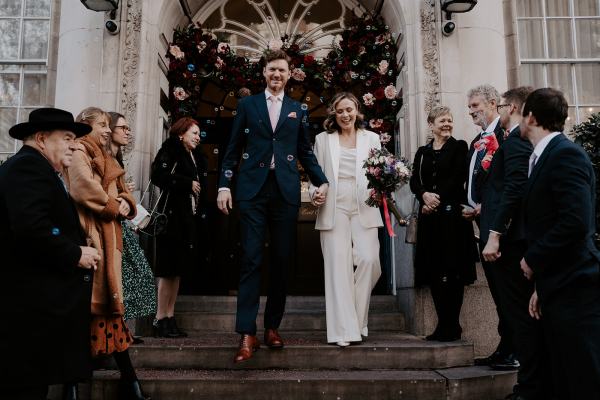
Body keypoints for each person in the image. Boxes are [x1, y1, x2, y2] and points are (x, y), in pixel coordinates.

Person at [217, 49, 328, 363]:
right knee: (251, 258)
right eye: (271, 70)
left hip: (285, 192)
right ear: (263, 73)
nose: (276, 75)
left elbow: (305, 151)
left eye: (281, 70)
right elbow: (232, 148)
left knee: (281, 259)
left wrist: (322, 181)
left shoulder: (297, 110)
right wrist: (224, 184)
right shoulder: (247, 105)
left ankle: (273, 327)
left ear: (289, 74)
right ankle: (246, 333)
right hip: (252, 190)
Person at [0, 108, 99, 400]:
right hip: (25, 313)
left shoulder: (37, 168)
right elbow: (31, 226)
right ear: (42, 138)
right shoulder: (27, 168)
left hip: (32, 313)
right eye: (67, 138)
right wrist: (74, 253)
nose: (74, 145)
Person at [520, 87, 600, 400]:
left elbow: (575, 222)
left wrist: (532, 259)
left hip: (578, 288)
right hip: (558, 285)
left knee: (583, 378)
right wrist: (543, 286)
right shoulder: (542, 157)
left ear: (531, 117)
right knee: (562, 378)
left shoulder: (565, 155)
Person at [67, 107, 148, 400]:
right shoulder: (79, 152)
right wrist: (116, 206)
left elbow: (124, 190)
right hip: (91, 239)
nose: (106, 129)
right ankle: (128, 386)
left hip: (109, 240)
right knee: (93, 316)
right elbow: (82, 188)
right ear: (86, 126)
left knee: (102, 316)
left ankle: (125, 385)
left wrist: (127, 203)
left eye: (106, 125)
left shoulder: (108, 158)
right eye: (102, 124)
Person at [479, 87, 547, 399]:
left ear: (514, 107)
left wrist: (495, 233)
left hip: (510, 243)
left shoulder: (516, 142)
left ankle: (530, 386)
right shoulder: (511, 141)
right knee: (517, 315)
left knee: (520, 317)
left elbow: (516, 186)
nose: (500, 110)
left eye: (503, 105)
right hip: (508, 239)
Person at [310, 92, 383, 347]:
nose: (345, 115)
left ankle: (357, 318)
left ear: (357, 111)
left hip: (364, 205)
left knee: (369, 260)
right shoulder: (322, 140)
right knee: (338, 269)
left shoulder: (372, 138)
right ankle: (344, 331)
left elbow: (380, 173)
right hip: (334, 205)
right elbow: (314, 176)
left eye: (349, 110)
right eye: (340, 111)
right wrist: (314, 193)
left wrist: (382, 186)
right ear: (334, 114)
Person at [409, 105, 478, 341]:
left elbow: (458, 177)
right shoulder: (422, 152)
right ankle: (441, 325)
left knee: (453, 270)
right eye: (442, 121)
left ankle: (453, 325)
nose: (447, 124)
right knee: (435, 271)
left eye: (449, 120)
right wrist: (423, 196)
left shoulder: (459, 147)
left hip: (453, 219)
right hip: (430, 219)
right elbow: (414, 181)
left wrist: (435, 198)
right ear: (431, 125)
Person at [462, 84, 517, 369]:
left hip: (498, 224)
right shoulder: (478, 140)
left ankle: (512, 349)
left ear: (494, 104)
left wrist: (487, 206)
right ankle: (505, 346)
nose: (471, 111)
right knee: (497, 289)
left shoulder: (504, 136)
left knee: (504, 289)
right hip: (482, 220)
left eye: (475, 106)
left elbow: (509, 180)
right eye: (470, 107)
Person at [150, 117, 207, 338]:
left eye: (199, 134)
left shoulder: (195, 157)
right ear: (181, 133)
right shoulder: (170, 149)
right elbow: (158, 176)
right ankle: (159, 318)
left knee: (177, 271)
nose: (197, 137)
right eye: (194, 133)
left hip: (187, 220)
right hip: (171, 219)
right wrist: (186, 183)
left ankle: (170, 316)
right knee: (167, 270)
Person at [108, 112, 157, 336]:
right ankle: (118, 331)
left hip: (123, 225)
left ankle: (121, 329)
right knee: (121, 280)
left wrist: (125, 192)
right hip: (111, 227)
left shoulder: (116, 158)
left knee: (138, 276)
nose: (128, 131)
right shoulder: (102, 157)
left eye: (128, 127)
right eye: (123, 128)